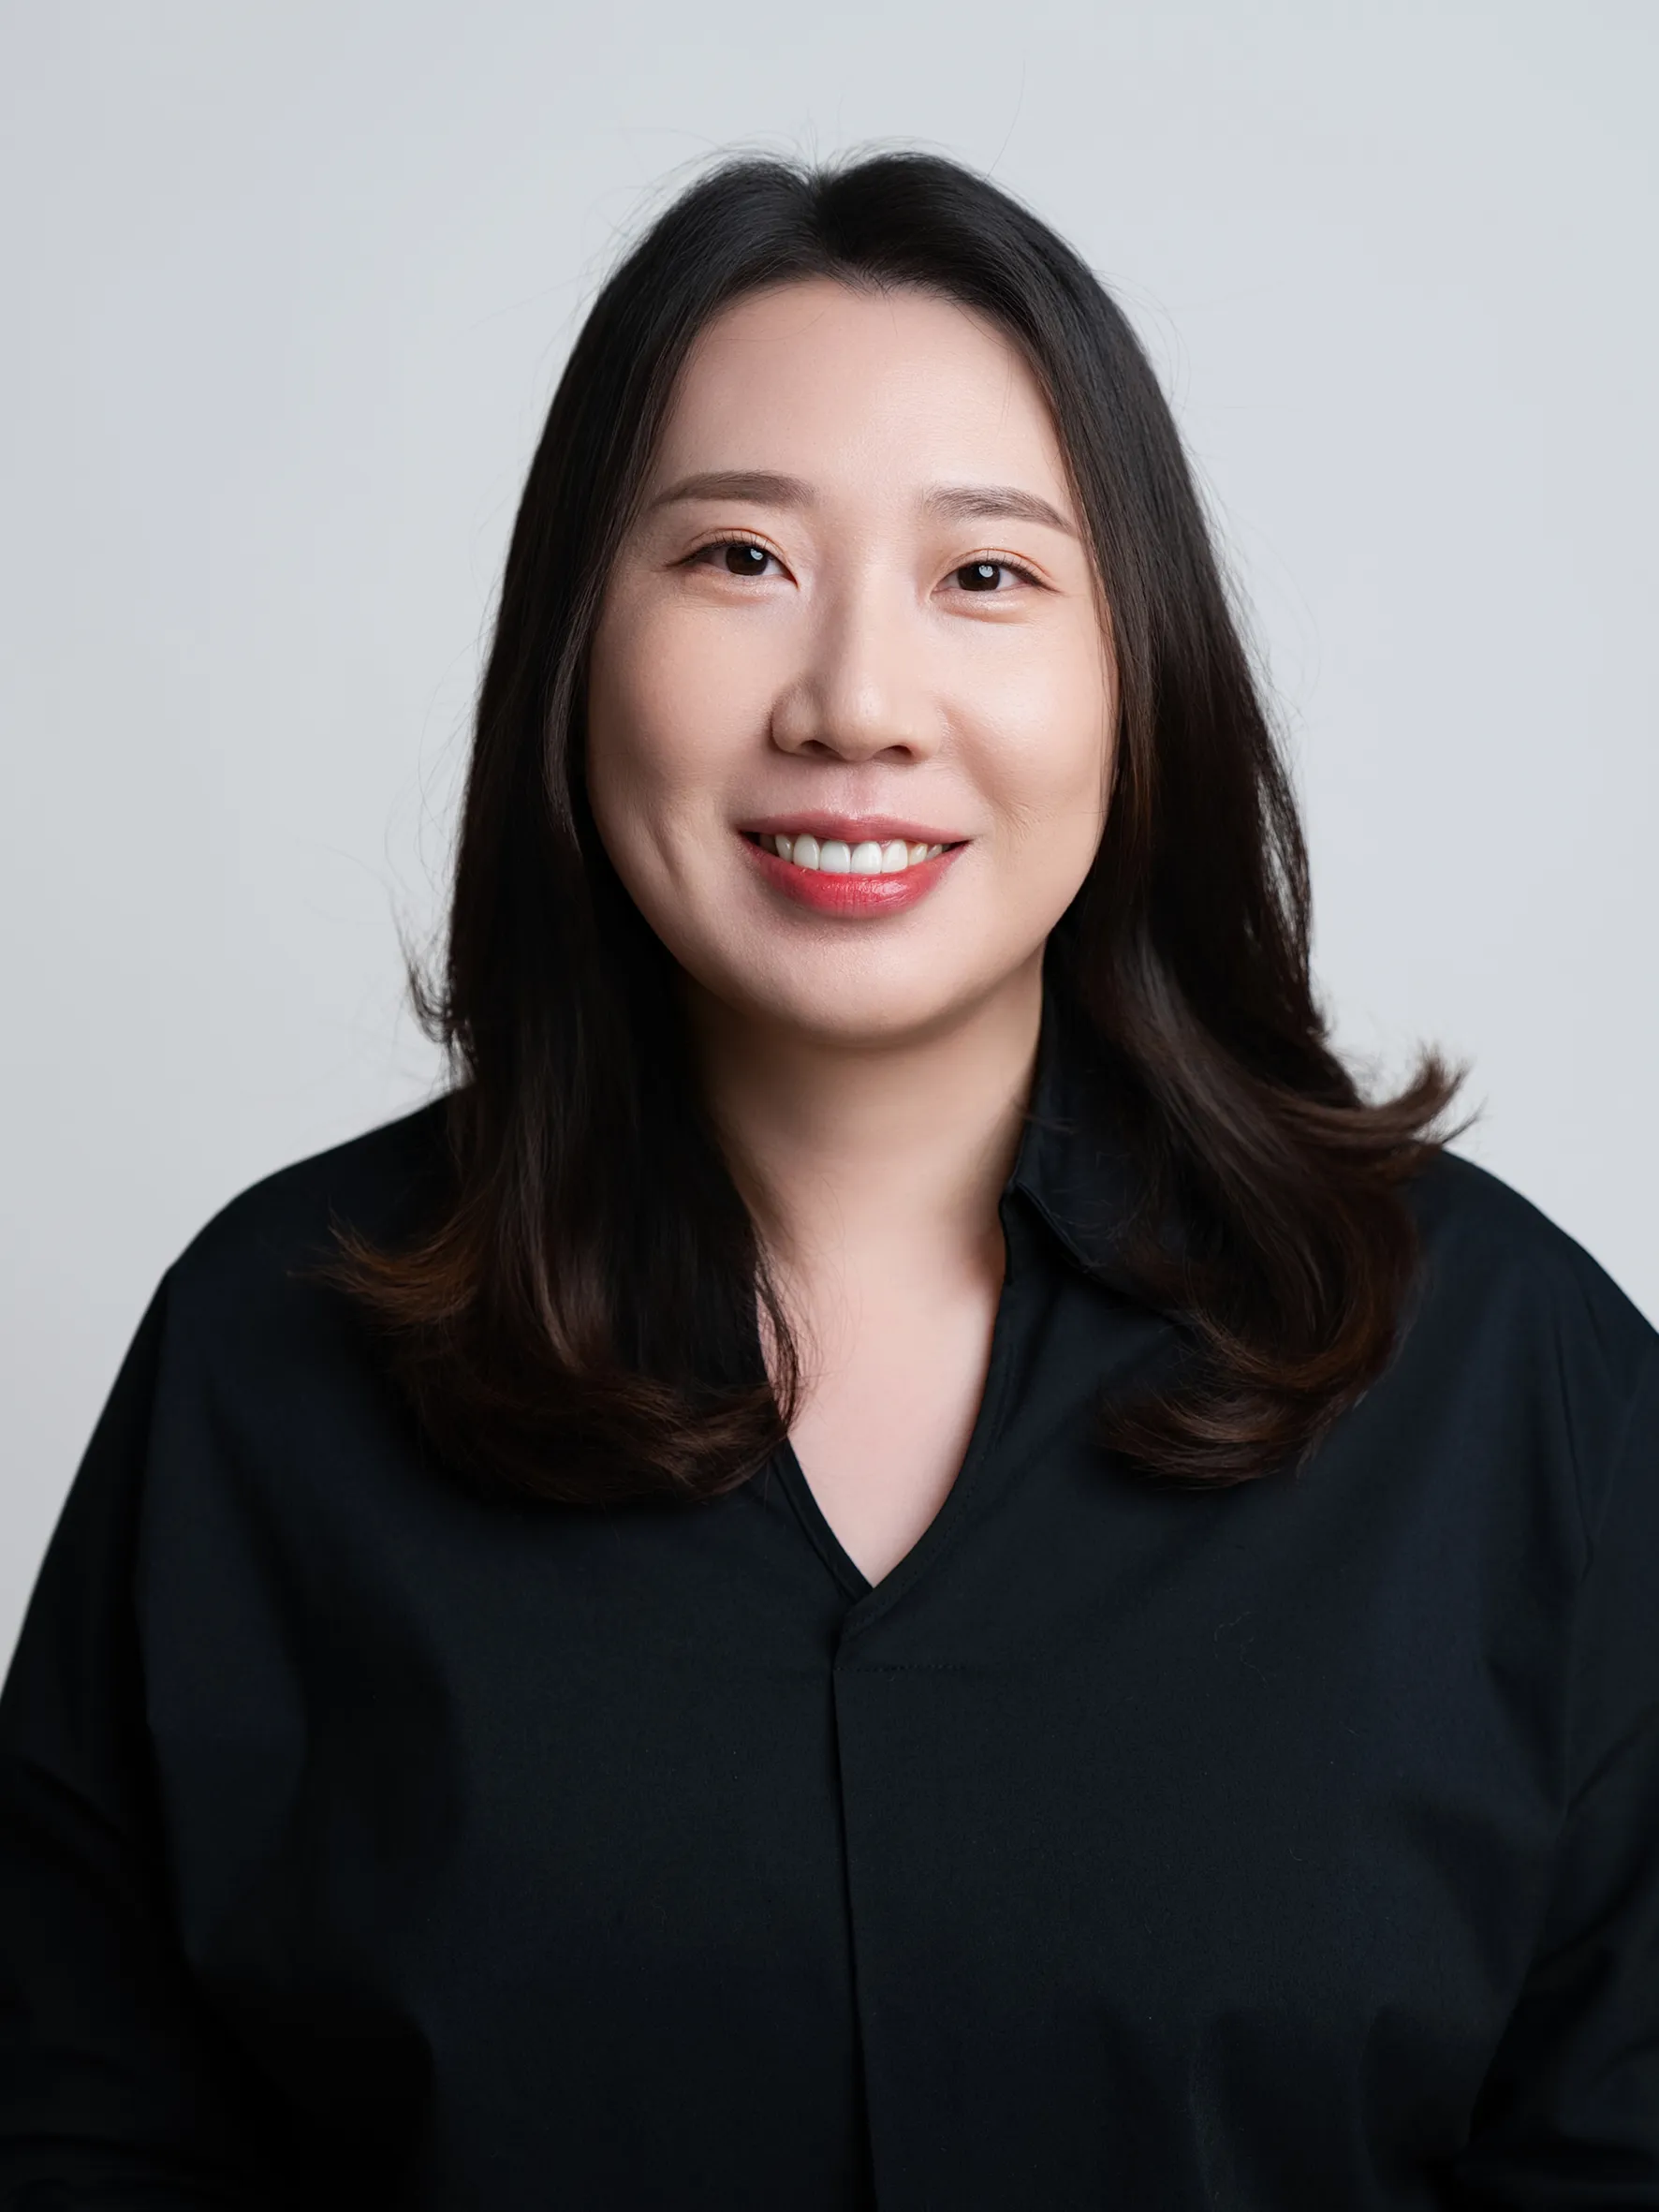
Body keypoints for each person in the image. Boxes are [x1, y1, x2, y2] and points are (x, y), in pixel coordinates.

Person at [1, 151, 1653, 2210]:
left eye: (987, 576)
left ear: (1137, 671)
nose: (855, 703)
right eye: (738, 558)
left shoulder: (1512, 1386)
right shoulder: (272, 1361)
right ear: (573, 642)